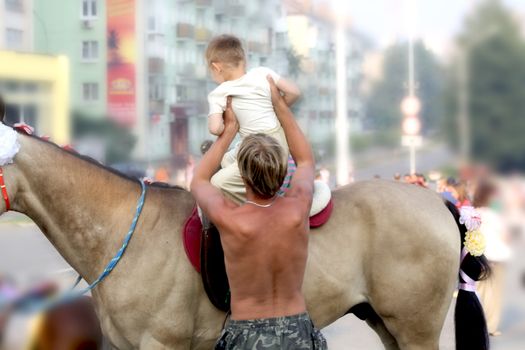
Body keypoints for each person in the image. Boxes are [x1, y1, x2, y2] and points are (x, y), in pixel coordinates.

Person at [190, 76, 326, 349]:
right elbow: (305, 159)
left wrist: (229, 131)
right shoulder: (297, 208)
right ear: (281, 170)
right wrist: (279, 106)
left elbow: (200, 181)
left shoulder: (231, 220)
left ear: (242, 175)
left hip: (246, 336)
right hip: (297, 332)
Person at [205, 34, 301, 204]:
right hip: (279, 144)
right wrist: (274, 109)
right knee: (226, 159)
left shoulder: (220, 92)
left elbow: (215, 128)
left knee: (217, 182)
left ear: (217, 67)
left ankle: (259, 205)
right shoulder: (263, 73)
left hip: (256, 151)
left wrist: (226, 125)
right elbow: (294, 92)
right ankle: (263, 189)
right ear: (244, 60)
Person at [474, 180, 511, 336]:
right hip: (497, 256)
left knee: (478, 290)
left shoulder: (473, 213)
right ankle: (490, 327)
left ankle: (476, 322)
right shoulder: (496, 215)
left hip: (479, 256)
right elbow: (505, 236)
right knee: (494, 295)